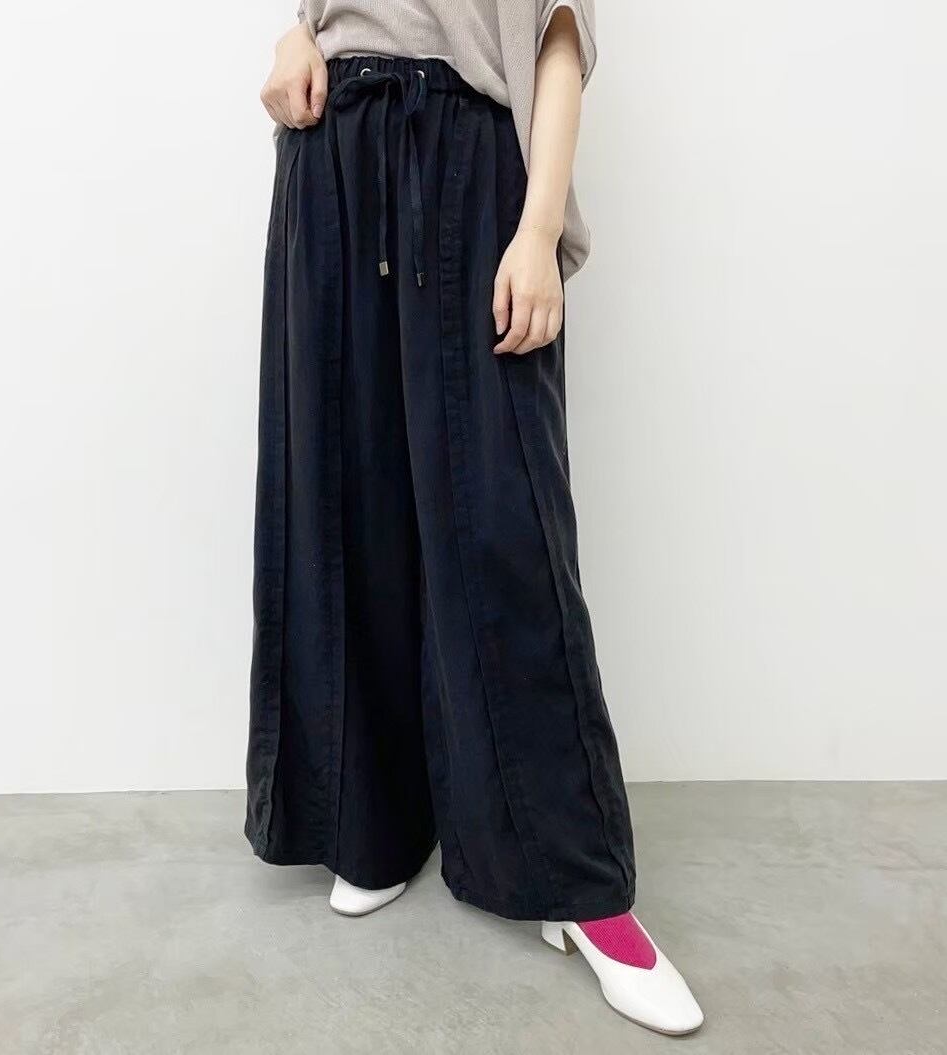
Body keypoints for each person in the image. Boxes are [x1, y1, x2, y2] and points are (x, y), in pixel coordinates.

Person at [245, 1, 703, 1036]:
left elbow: (556, 35)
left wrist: (536, 229)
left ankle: (580, 885)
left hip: (464, 152)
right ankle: (373, 821)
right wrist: (292, 37)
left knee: (504, 524)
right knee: (344, 496)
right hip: (332, 151)